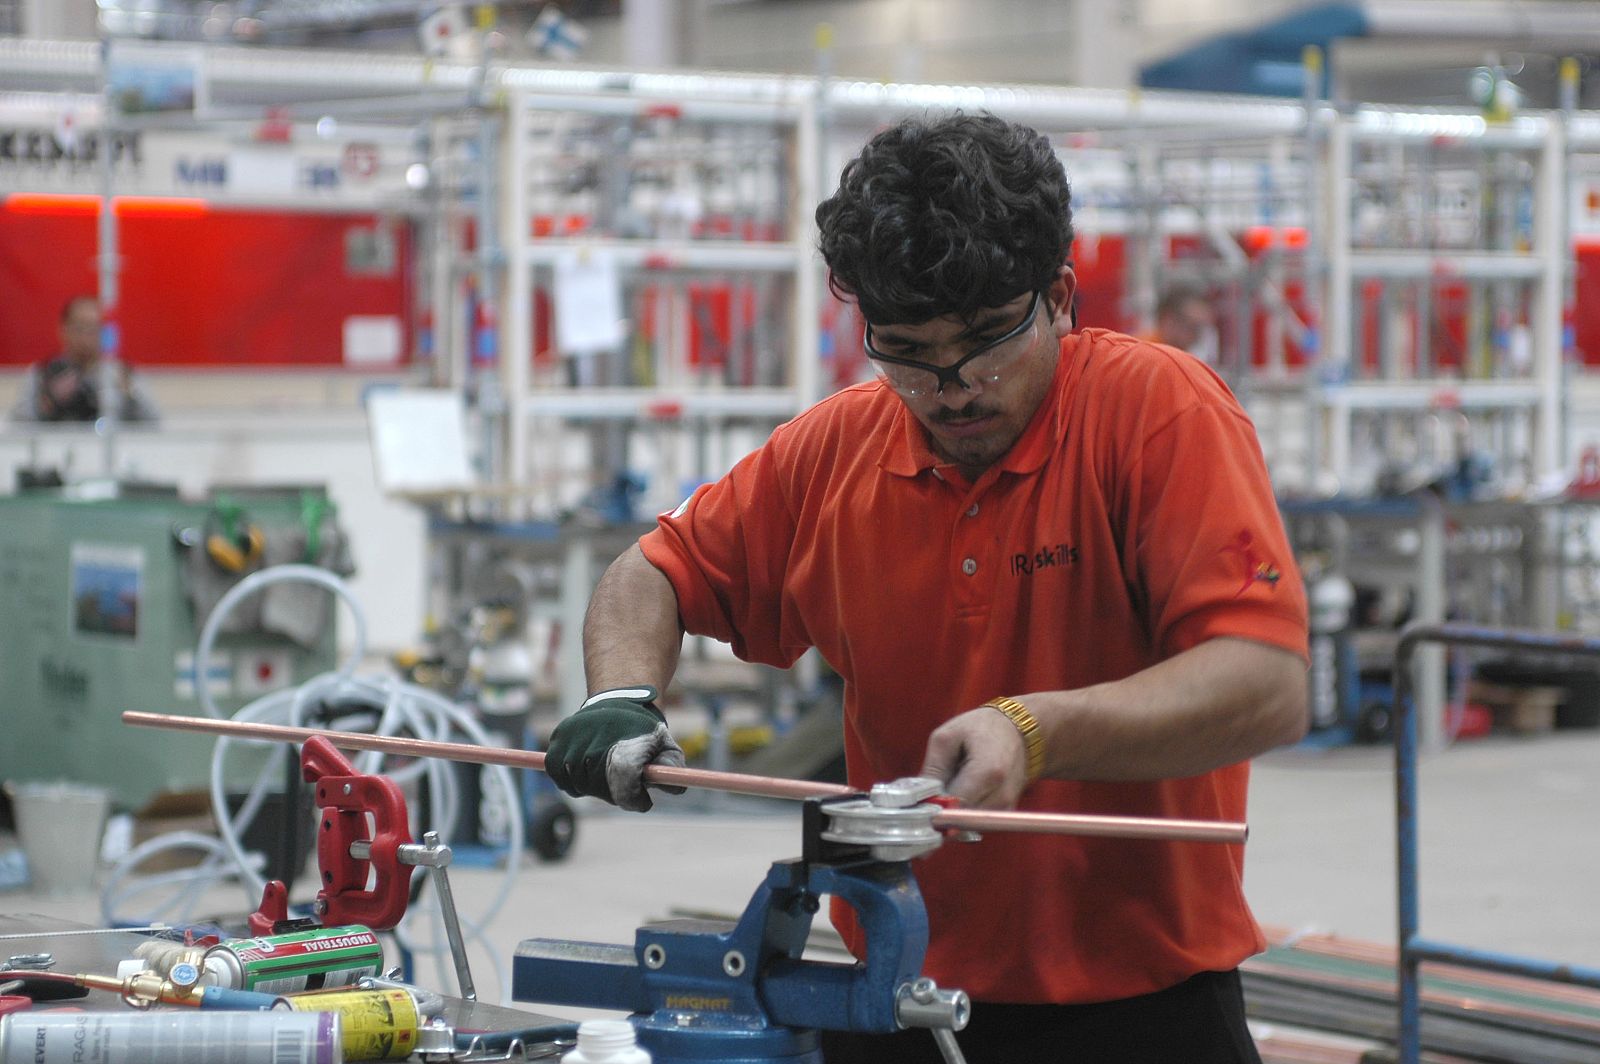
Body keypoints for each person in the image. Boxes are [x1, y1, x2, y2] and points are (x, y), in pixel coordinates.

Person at [546, 113, 1309, 1064]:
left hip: (1144, 1014)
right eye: (907, 350)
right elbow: (650, 572)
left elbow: (1266, 684)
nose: (953, 387)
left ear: (1061, 298)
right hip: (893, 1002)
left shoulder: (1157, 414)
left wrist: (1035, 730)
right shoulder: (834, 451)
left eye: (988, 341)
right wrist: (621, 693)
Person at [12, 295, 158, 423]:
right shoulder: (43, 374)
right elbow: (18, 424)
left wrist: (128, 392)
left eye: (93, 328)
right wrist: (47, 403)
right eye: (79, 327)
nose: (86, 336)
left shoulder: (123, 373)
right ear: (63, 329)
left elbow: (152, 422)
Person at [1151, 284, 1219, 362]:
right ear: (1168, 321)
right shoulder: (1148, 355)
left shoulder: (1178, 356)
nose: (1196, 336)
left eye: (1201, 328)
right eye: (1192, 326)